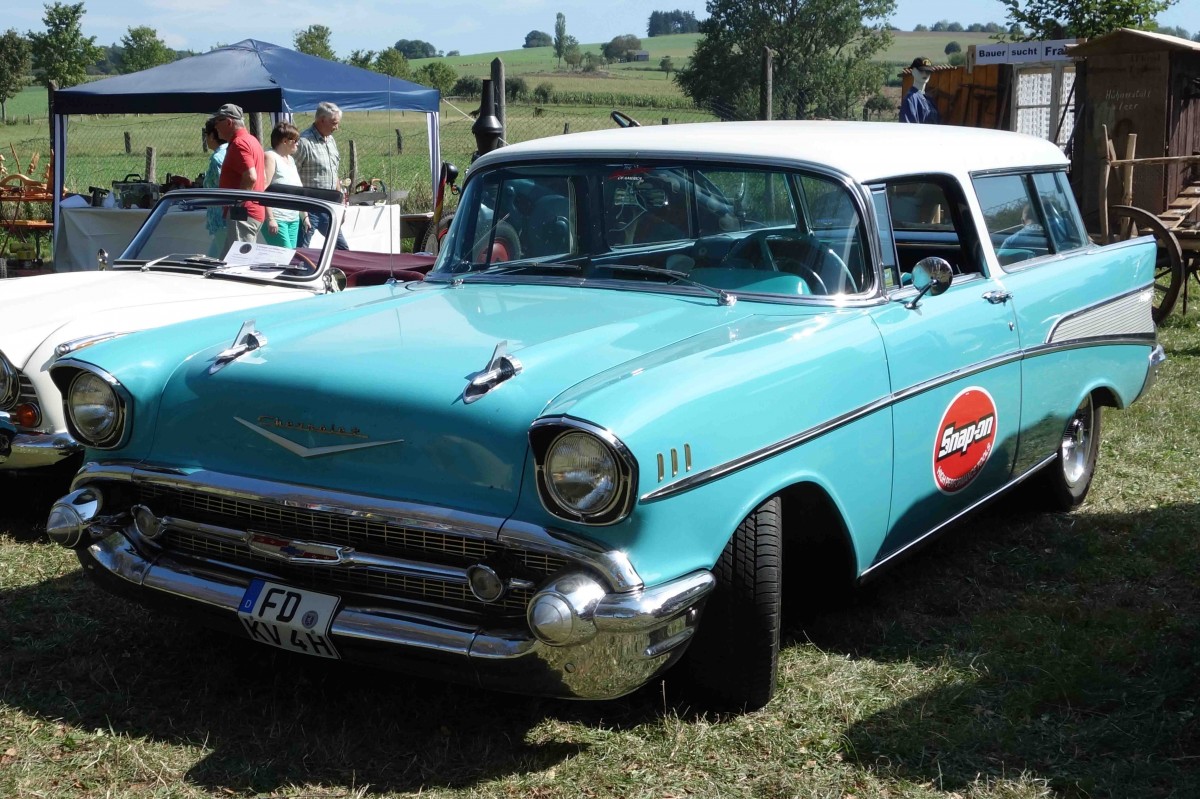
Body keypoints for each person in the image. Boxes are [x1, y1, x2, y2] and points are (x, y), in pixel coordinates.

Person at [295, 101, 350, 250]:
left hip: (329, 207)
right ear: (322, 120)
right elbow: (292, 174)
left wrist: (340, 203)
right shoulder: (304, 142)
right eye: (334, 123)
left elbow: (333, 172)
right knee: (302, 249)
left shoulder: (331, 140)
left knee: (342, 249)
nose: (336, 127)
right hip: (309, 206)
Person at [213, 103, 266, 252]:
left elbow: (251, 177)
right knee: (229, 258)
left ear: (229, 122)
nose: (215, 126)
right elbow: (263, 176)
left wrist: (237, 205)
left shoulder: (239, 143)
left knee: (238, 260)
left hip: (243, 215)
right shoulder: (252, 140)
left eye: (218, 121)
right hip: (249, 213)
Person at [261, 121, 307, 248]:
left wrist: (304, 216)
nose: (297, 143)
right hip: (277, 218)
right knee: (284, 253)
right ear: (285, 141)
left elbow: (297, 188)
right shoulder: (270, 156)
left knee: (290, 255)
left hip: (293, 218)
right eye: (295, 140)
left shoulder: (290, 159)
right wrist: (270, 218)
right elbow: (264, 188)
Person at [201, 117, 228, 257]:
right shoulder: (231, 150)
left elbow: (220, 186)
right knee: (213, 256)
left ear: (212, 135)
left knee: (224, 256)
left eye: (206, 134)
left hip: (221, 217)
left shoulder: (217, 158)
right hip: (227, 215)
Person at [900, 57, 940, 125]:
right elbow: (907, 127)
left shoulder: (929, 99)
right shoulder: (910, 99)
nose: (925, 74)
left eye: (928, 71)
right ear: (913, 71)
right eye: (921, 71)